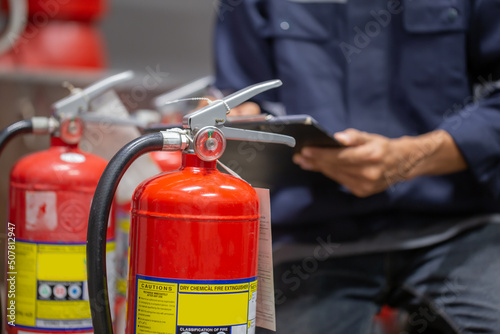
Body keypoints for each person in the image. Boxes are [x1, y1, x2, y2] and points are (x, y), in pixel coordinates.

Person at [212, 0, 500, 333]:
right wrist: (239, 117)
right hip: (312, 236)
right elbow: (241, 94)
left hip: (458, 227)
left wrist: (415, 156)